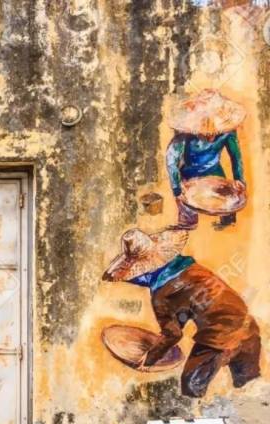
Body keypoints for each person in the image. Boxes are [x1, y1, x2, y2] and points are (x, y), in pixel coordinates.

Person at [102, 228, 261, 397]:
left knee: (191, 386)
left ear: (144, 274)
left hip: (221, 338)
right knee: (249, 388)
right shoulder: (193, 269)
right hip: (249, 327)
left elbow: (173, 334)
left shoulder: (163, 295)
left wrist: (148, 359)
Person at [165, 89, 246, 230]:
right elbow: (171, 159)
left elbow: (236, 156)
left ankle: (227, 224)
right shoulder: (185, 133)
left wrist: (239, 179)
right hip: (189, 176)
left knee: (230, 204)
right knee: (187, 218)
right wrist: (177, 188)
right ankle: (188, 225)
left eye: (215, 132)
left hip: (215, 173)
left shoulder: (228, 131)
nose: (210, 137)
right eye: (205, 132)